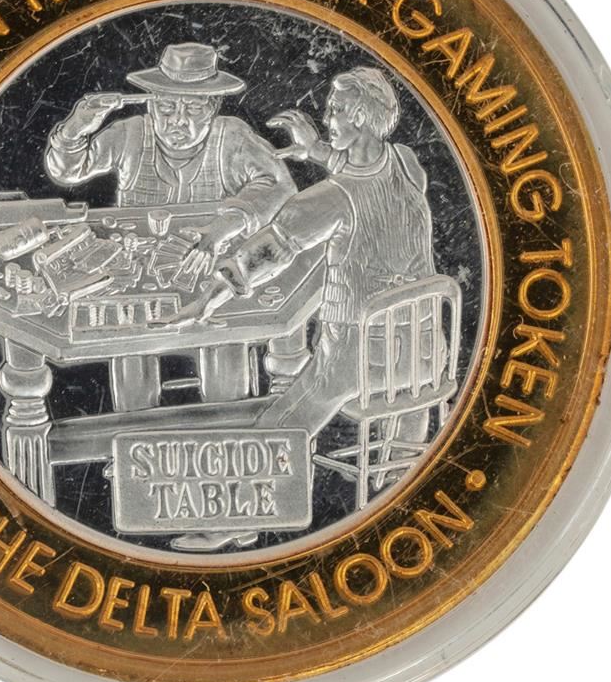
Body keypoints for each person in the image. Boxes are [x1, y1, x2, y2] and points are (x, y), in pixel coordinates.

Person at [168, 66, 440, 551]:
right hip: (424, 351)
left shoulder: (330, 198)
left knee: (285, 419)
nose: (327, 118)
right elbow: (367, 173)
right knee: (408, 410)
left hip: (361, 352)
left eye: (335, 111)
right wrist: (317, 150)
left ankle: (233, 518)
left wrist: (212, 294)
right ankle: (398, 488)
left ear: (359, 117)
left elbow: (271, 249)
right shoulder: (405, 161)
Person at [45, 42, 295, 409]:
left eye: (193, 108)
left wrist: (222, 229)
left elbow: (279, 187)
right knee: (132, 355)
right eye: (166, 107)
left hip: (212, 273)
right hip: (134, 277)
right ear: (150, 105)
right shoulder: (130, 133)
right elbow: (68, 171)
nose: (178, 120)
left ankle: (228, 428)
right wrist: (73, 130)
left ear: (213, 107)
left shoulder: (232, 137)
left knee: (225, 351)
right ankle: (134, 433)